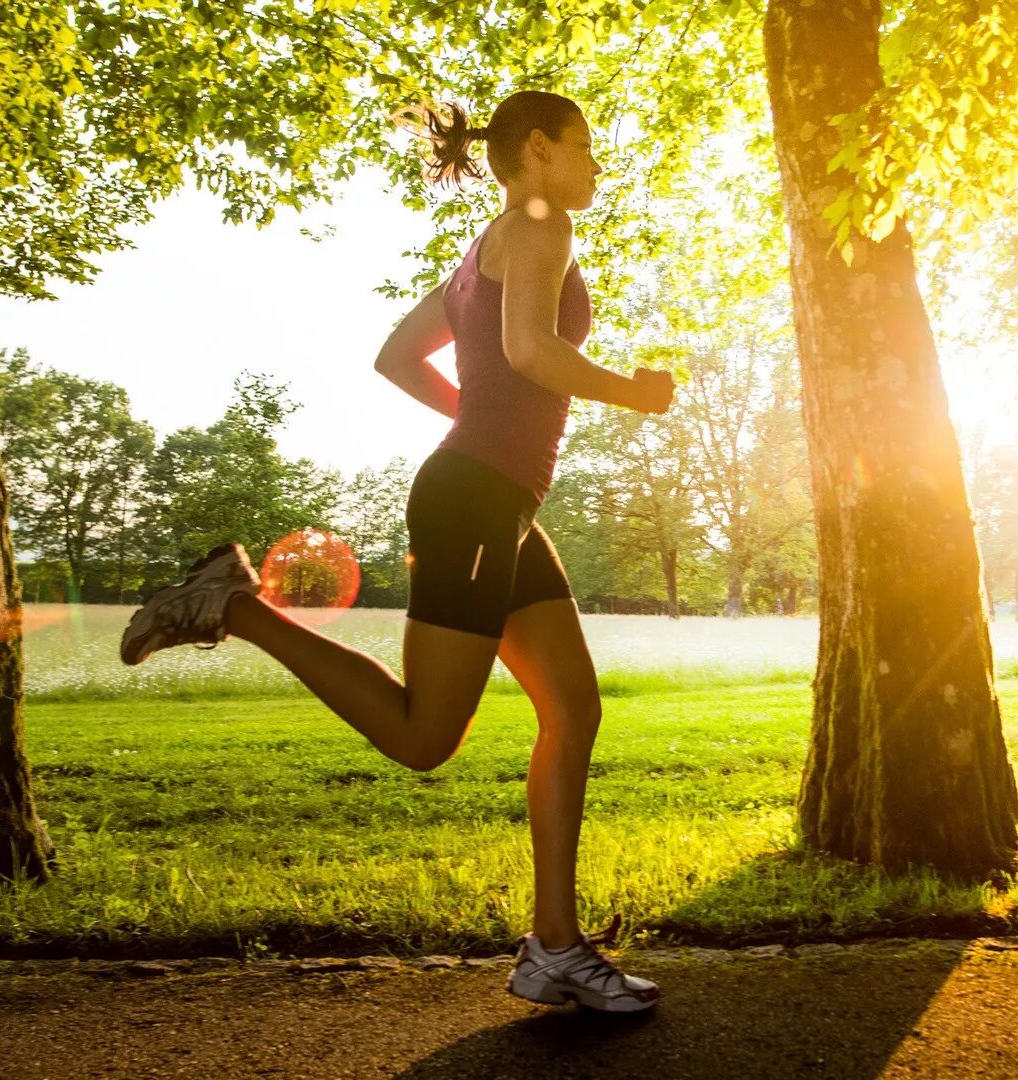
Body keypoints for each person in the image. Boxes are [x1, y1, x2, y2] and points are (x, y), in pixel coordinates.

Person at [117, 90, 675, 1014]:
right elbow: (532, 351)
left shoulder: (481, 250)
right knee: (425, 738)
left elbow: (397, 356)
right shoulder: (541, 224)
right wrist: (634, 391)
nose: (596, 164)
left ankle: (555, 947)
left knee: (572, 709)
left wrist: (486, 421)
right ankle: (235, 605)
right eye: (586, 146)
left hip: (493, 496)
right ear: (537, 150)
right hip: (476, 501)